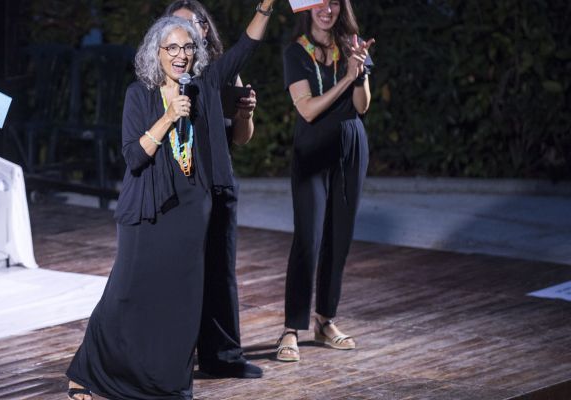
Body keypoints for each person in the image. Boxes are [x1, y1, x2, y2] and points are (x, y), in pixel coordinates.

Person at [65, 1, 278, 399]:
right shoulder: (139, 95)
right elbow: (134, 156)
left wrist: (266, 7)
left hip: (189, 213)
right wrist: (167, 117)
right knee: (125, 294)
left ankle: (168, 384)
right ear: (156, 52)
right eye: (173, 48)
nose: (181, 55)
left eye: (188, 48)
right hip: (147, 209)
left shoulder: (203, 87)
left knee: (181, 304)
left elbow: (245, 48)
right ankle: (87, 373)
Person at [163, 0, 261, 379]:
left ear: (206, 31)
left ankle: (222, 356)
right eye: (179, 26)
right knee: (184, 272)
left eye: (196, 24)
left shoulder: (224, 72)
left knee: (221, 272)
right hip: (185, 185)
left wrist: (245, 115)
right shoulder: (166, 73)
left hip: (220, 181)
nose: (189, 32)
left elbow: (241, 138)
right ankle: (177, 356)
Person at [276, 0, 374, 361]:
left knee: (339, 236)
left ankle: (325, 320)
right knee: (309, 237)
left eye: (333, 2)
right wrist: (347, 77)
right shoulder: (296, 52)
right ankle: (290, 328)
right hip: (312, 149)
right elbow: (307, 109)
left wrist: (360, 72)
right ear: (307, 8)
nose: (326, 9)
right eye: (319, 2)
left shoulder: (352, 45)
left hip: (351, 145)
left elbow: (363, 106)